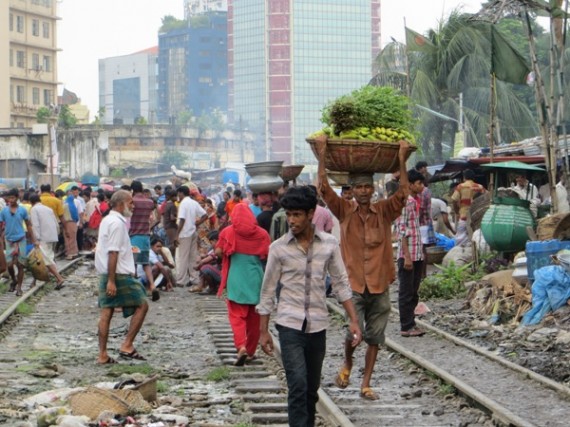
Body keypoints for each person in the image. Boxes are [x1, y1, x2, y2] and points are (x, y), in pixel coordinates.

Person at [315, 135, 411, 401]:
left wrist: (402, 159)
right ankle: (347, 363)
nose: (364, 191)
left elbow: (403, 193)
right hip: (353, 284)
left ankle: (366, 383)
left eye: (368, 187)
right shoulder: (345, 211)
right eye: (359, 188)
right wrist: (322, 154)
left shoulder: (385, 211)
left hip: (379, 284)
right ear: (353, 192)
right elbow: (322, 189)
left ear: (373, 189)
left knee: (375, 338)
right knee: (352, 332)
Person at [257, 186, 361, 427]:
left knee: (312, 388)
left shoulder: (329, 244)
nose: (291, 220)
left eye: (297, 215)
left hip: (317, 325)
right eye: (289, 214)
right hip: (289, 325)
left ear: (311, 213)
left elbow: (341, 283)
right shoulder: (278, 248)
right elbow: (268, 291)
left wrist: (353, 320)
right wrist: (264, 331)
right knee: (298, 385)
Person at [95, 190, 153, 365]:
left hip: (107, 272)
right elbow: (113, 252)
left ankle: (103, 355)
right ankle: (127, 344)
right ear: (120, 204)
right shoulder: (117, 224)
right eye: (130, 203)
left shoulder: (107, 220)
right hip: (117, 273)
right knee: (142, 304)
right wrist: (112, 280)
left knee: (107, 312)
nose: (133, 206)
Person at [215, 203, 270, 366]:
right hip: (255, 278)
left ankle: (241, 347)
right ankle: (251, 351)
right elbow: (267, 254)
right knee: (254, 319)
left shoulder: (228, 232)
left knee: (237, 316)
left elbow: (218, 252)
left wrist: (225, 253)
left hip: (236, 278)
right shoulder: (262, 234)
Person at [397, 170, 426, 337]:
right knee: (406, 291)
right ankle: (406, 326)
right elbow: (402, 231)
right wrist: (407, 256)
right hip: (408, 254)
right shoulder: (405, 203)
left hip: (416, 253)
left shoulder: (415, 201)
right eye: (419, 183)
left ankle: (411, 322)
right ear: (410, 184)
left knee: (413, 291)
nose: (421, 186)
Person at [0, 188, 39, 296]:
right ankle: (14, 279)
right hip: (9, 240)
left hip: (21, 239)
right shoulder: (4, 211)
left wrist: (34, 240)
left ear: (17, 198)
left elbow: (29, 225)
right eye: (9, 197)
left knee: (21, 264)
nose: (10, 200)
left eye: (12, 197)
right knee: (9, 265)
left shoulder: (22, 210)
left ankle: (19, 288)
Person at [29, 194, 65, 289]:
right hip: (52, 236)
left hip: (43, 238)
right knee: (42, 258)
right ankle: (34, 282)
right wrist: (56, 234)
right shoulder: (48, 209)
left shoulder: (34, 209)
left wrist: (36, 239)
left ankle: (59, 278)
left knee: (44, 259)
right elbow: (56, 223)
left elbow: (35, 225)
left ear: (31, 202)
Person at [174, 186, 208, 287]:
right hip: (193, 231)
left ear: (181, 193)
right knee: (192, 256)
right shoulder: (194, 202)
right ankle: (194, 278)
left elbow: (182, 220)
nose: (178, 197)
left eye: (178, 194)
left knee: (183, 256)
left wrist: (177, 235)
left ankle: (181, 280)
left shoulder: (183, 203)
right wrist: (196, 224)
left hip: (184, 233)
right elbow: (205, 215)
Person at [129, 181, 157, 292]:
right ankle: (152, 285)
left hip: (134, 237)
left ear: (132, 190)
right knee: (146, 263)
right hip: (146, 236)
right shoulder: (149, 202)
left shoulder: (131, 202)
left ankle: (134, 288)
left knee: (133, 264)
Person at [451, 170, 486, 246]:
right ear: (473, 178)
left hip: (464, 216)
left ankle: (461, 255)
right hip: (478, 217)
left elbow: (454, 200)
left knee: (461, 239)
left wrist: (457, 211)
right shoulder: (480, 187)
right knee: (478, 238)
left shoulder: (460, 187)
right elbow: (486, 198)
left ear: (464, 177)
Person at [194, 230, 222, 295]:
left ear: (215, 240)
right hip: (220, 270)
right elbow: (208, 256)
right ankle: (210, 287)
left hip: (224, 273)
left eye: (211, 242)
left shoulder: (219, 248)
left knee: (205, 268)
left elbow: (211, 257)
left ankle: (212, 288)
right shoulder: (215, 248)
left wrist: (199, 264)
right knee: (205, 266)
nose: (211, 244)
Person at [62, 188, 81, 260]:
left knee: (67, 238)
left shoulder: (64, 204)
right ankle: (73, 252)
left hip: (66, 223)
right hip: (73, 223)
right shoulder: (72, 205)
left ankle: (69, 253)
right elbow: (76, 216)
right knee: (73, 238)